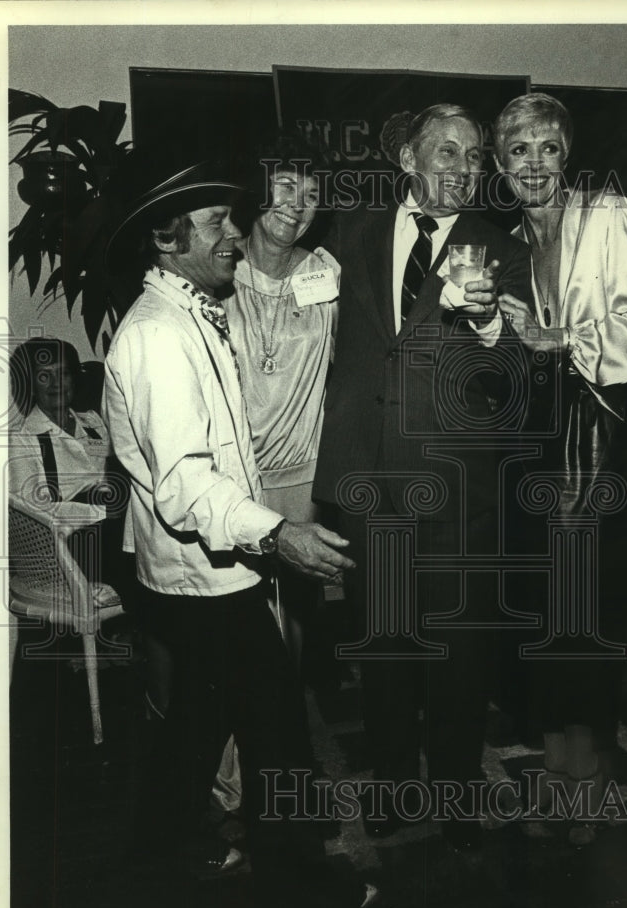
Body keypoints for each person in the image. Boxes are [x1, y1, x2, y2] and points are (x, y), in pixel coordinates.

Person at [101, 151, 376, 908]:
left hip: (200, 576)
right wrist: (277, 534)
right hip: (208, 576)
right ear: (167, 239)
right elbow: (185, 484)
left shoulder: (190, 310)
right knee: (277, 730)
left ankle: (145, 864)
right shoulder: (159, 336)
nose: (234, 232)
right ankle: (300, 890)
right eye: (215, 222)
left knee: (195, 727)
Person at [313, 103, 533, 852]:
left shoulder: (500, 247)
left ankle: (454, 785)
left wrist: (492, 329)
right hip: (371, 480)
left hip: (455, 489)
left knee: (460, 651)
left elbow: (518, 382)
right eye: (446, 152)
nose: (462, 169)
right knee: (385, 646)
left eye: (474, 157)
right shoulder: (348, 235)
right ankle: (392, 782)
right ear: (407, 159)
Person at [493, 93, 627, 844]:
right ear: (500, 165)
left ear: (566, 156)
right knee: (544, 617)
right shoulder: (501, 242)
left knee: (586, 614)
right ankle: (556, 778)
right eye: (518, 151)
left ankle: (586, 783)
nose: (533, 164)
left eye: (546, 148)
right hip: (530, 437)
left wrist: (556, 339)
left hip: (593, 437)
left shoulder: (607, 214)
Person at [211, 134, 339, 819]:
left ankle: (277, 772)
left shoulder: (328, 273)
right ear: (258, 190)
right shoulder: (219, 265)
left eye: (311, 193)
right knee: (237, 635)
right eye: (286, 186)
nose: (299, 204)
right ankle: (232, 783)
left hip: (303, 479)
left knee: (287, 638)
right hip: (233, 483)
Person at [8, 337, 126, 603]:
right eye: (44, 376)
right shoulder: (23, 439)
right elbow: (35, 512)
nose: (56, 384)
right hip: (67, 547)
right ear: (30, 384)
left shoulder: (93, 422)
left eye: (63, 373)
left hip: (110, 531)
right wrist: (104, 513)